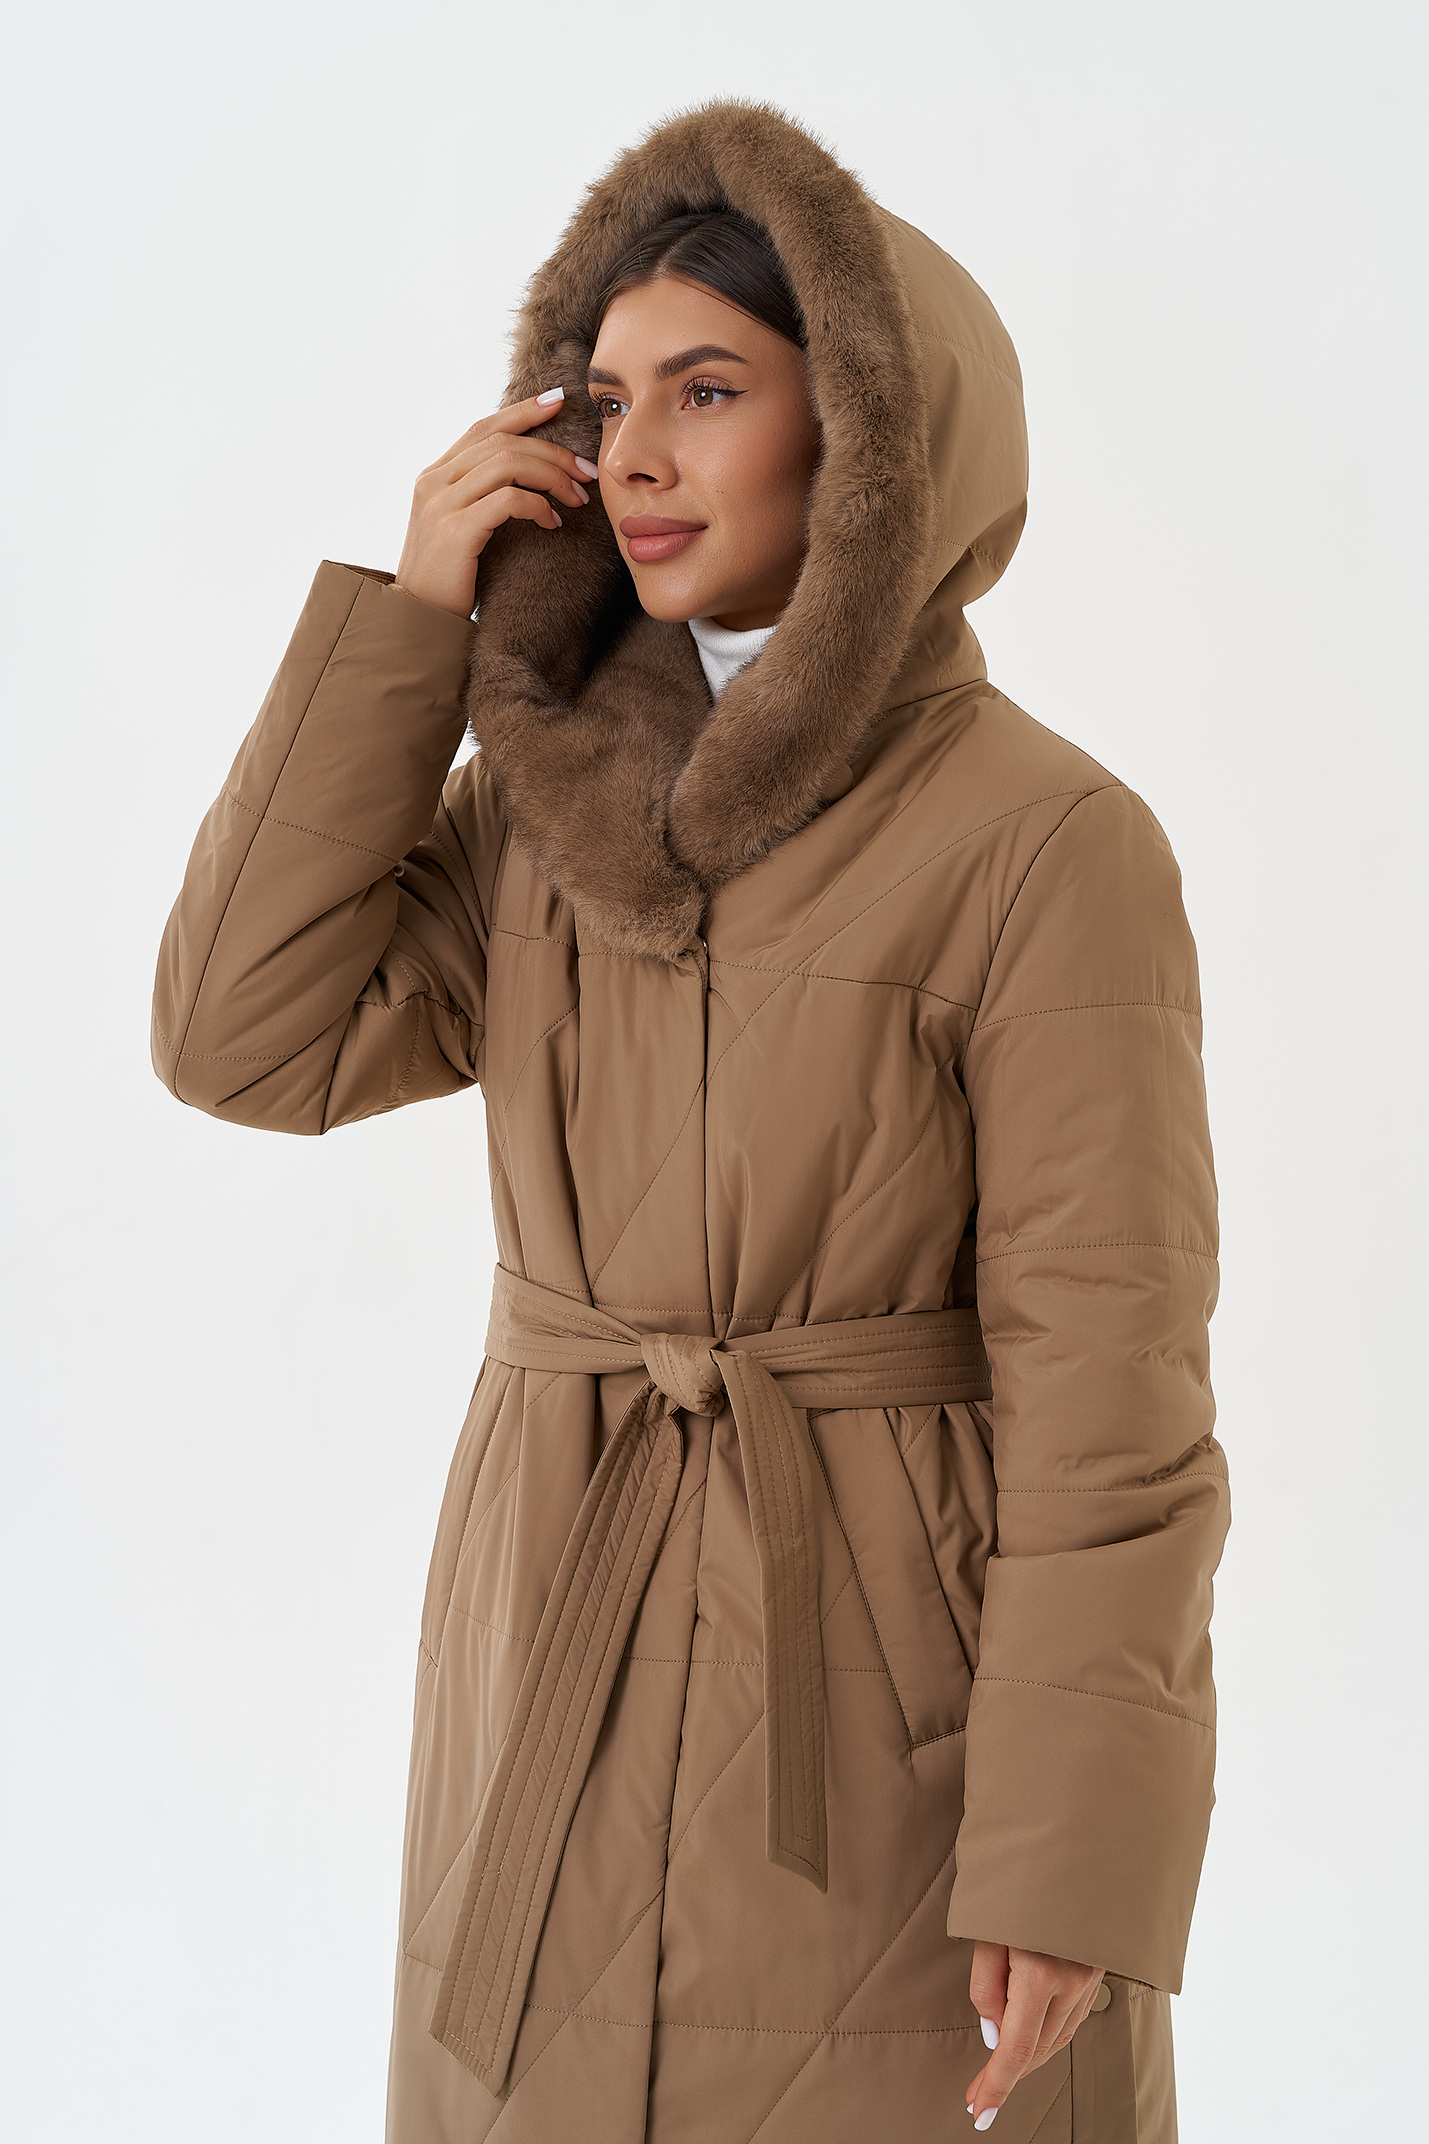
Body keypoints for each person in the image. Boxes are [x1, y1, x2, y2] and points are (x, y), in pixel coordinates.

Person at [152, 100, 1229, 2144]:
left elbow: (1113, 1388)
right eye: (605, 398)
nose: (633, 453)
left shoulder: (1046, 841)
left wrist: (1071, 1853)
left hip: (889, 1700)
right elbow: (240, 1040)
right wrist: (410, 627)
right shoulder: (542, 812)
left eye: (708, 391)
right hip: (546, 1641)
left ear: (871, 435)